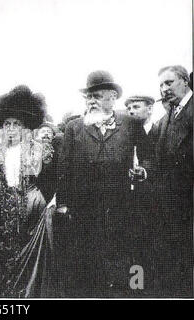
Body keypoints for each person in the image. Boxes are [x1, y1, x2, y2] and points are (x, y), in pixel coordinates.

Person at [57, 70, 150, 297]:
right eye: (89, 97)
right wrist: (62, 203)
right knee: (86, 265)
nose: (91, 101)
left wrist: (143, 170)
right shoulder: (74, 127)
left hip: (120, 207)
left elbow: (149, 154)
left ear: (112, 97)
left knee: (120, 259)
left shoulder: (130, 123)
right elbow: (64, 168)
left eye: (97, 96)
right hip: (83, 210)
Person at [0, 85, 55, 298]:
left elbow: (51, 179)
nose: (11, 129)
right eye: (7, 124)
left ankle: (28, 294)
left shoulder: (39, 148)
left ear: (26, 127)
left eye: (17, 124)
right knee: (5, 250)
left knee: (31, 254)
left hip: (33, 208)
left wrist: (44, 200)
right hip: (3, 206)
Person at [151, 65, 193, 297]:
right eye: (161, 85)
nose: (164, 89)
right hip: (171, 204)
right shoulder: (169, 115)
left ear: (185, 81)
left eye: (169, 83)